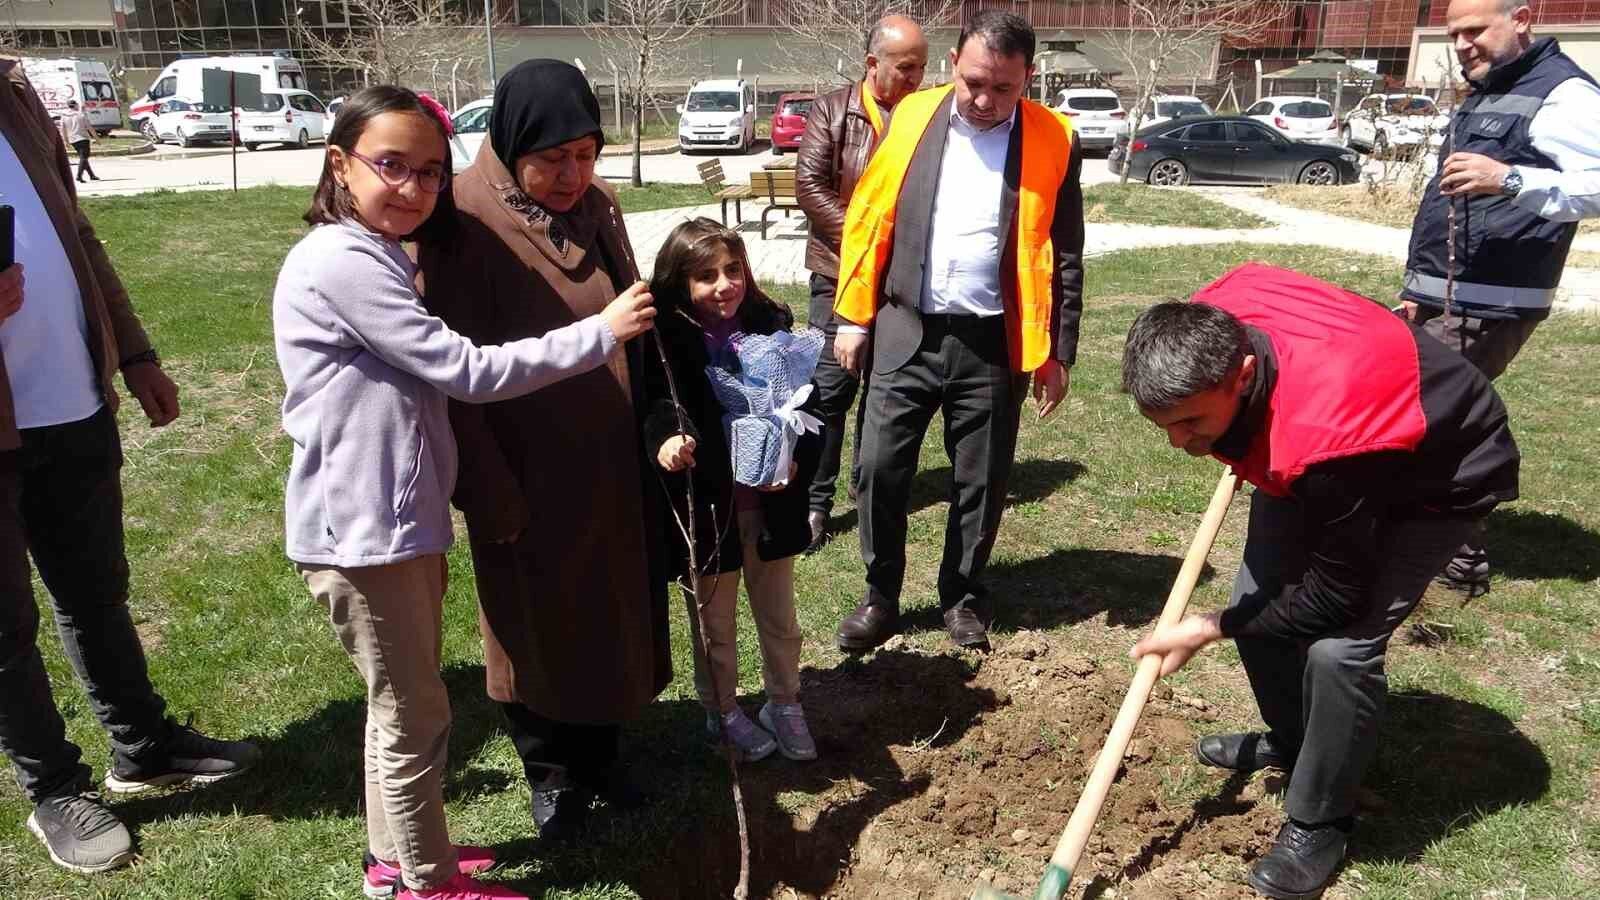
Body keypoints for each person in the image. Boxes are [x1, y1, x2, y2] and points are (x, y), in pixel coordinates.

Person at [273, 85, 655, 900]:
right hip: (363, 529)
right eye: (391, 167)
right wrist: (601, 333)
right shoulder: (342, 261)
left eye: (430, 173)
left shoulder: (372, 250)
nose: (412, 188)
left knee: (398, 708)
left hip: (392, 518)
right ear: (340, 163)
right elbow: (466, 370)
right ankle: (428, 882)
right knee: (413, 717)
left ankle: (397, 858)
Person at [1124, 263, 1520, 900]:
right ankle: (1298, 744)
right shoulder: (1217, 311)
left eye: (1192, 422)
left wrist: (1206, 628)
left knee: (1340, 649)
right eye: (1163, 424)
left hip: (1439, 473)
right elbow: (1271, 285)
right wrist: (1234, 617)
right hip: (1329, 435)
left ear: (1243, 375)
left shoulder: (1324, 442)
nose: (1178, 443)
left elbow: (1338, 596)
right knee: (1255, 603)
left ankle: (1323, 816)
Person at [0, 56, 260, 876]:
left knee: (95, 593)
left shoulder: (13, 97)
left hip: (72, 401)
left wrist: (135, 352)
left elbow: (76, 233)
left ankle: (141, 745)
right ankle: (55, 790)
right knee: (6, 629)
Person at [416, 60, 673, 844]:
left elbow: (636, 310)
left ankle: (601, 753)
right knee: (532, 624)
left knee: (610, 614)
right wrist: (488, 489)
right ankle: (551, 771)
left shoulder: (597, 204)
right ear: (514, 143)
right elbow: (452, 370)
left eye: (586, 154)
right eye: (553, 159)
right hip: (523, 465)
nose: (571, 174)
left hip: (609, 461)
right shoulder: (463, 218)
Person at [829, 10, 1084, 652]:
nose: (985, 99)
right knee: (879, 470)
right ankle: (880, 596)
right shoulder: (912, 118)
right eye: (974, 82)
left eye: (1003, 87)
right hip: (905, 327)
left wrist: (1056, 353)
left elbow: (1068, 251)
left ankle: (963, 596)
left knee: (983, 479)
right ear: (953, 65)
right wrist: (854, 316)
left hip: (995, 342)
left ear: (1029, 76)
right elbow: (868, 219)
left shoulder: (1056, 138)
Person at [1399, 0, 1600, 595]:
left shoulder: (1563, 94)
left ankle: (1455, 556)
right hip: (1443, 291)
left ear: (1522, 19)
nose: (1462, 44)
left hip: (1491, 299)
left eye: (1475, 30)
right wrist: (1417, 290)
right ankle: (1432, 541)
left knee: (1430, 417)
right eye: (1453, 34)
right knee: (1420, 411)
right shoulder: (1490, 88)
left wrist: (1509, 178)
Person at [642, 218, 822, 764]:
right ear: (679, 283)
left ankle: (784, 703)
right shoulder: (665, 339)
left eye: (732, 269)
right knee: (713, 625)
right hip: (708, 505)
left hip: (771, 502)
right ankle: (721, 712)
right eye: (706, 276)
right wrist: (670, 439)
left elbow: (807, 404)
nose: (724, 285)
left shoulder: (772, 325)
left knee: (779, 618)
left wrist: (793, 458)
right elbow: (657, 403)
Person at [796, 14, 928, 553]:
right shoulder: (832, 109)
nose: (916, 78)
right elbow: (809, 185)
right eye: (906, 67)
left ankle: (866, 488)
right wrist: (866, 241)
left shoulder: (925, 116)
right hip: (838, 275)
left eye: (922, 67)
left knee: (883, 391)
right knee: (828, 393)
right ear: (873, 64)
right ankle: (814, 504)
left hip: (900, 286)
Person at [57, 100, 99, 183]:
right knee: (84, 157)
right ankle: (79, 176)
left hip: (73, 140)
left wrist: (66, 141)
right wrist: (97, 138)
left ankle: (91, 175)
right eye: (77, 105)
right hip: (83, 138)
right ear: (75, 105)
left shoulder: (64, 116)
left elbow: (63, 130)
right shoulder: (81, 115)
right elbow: (90, 128)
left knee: (83, 158)